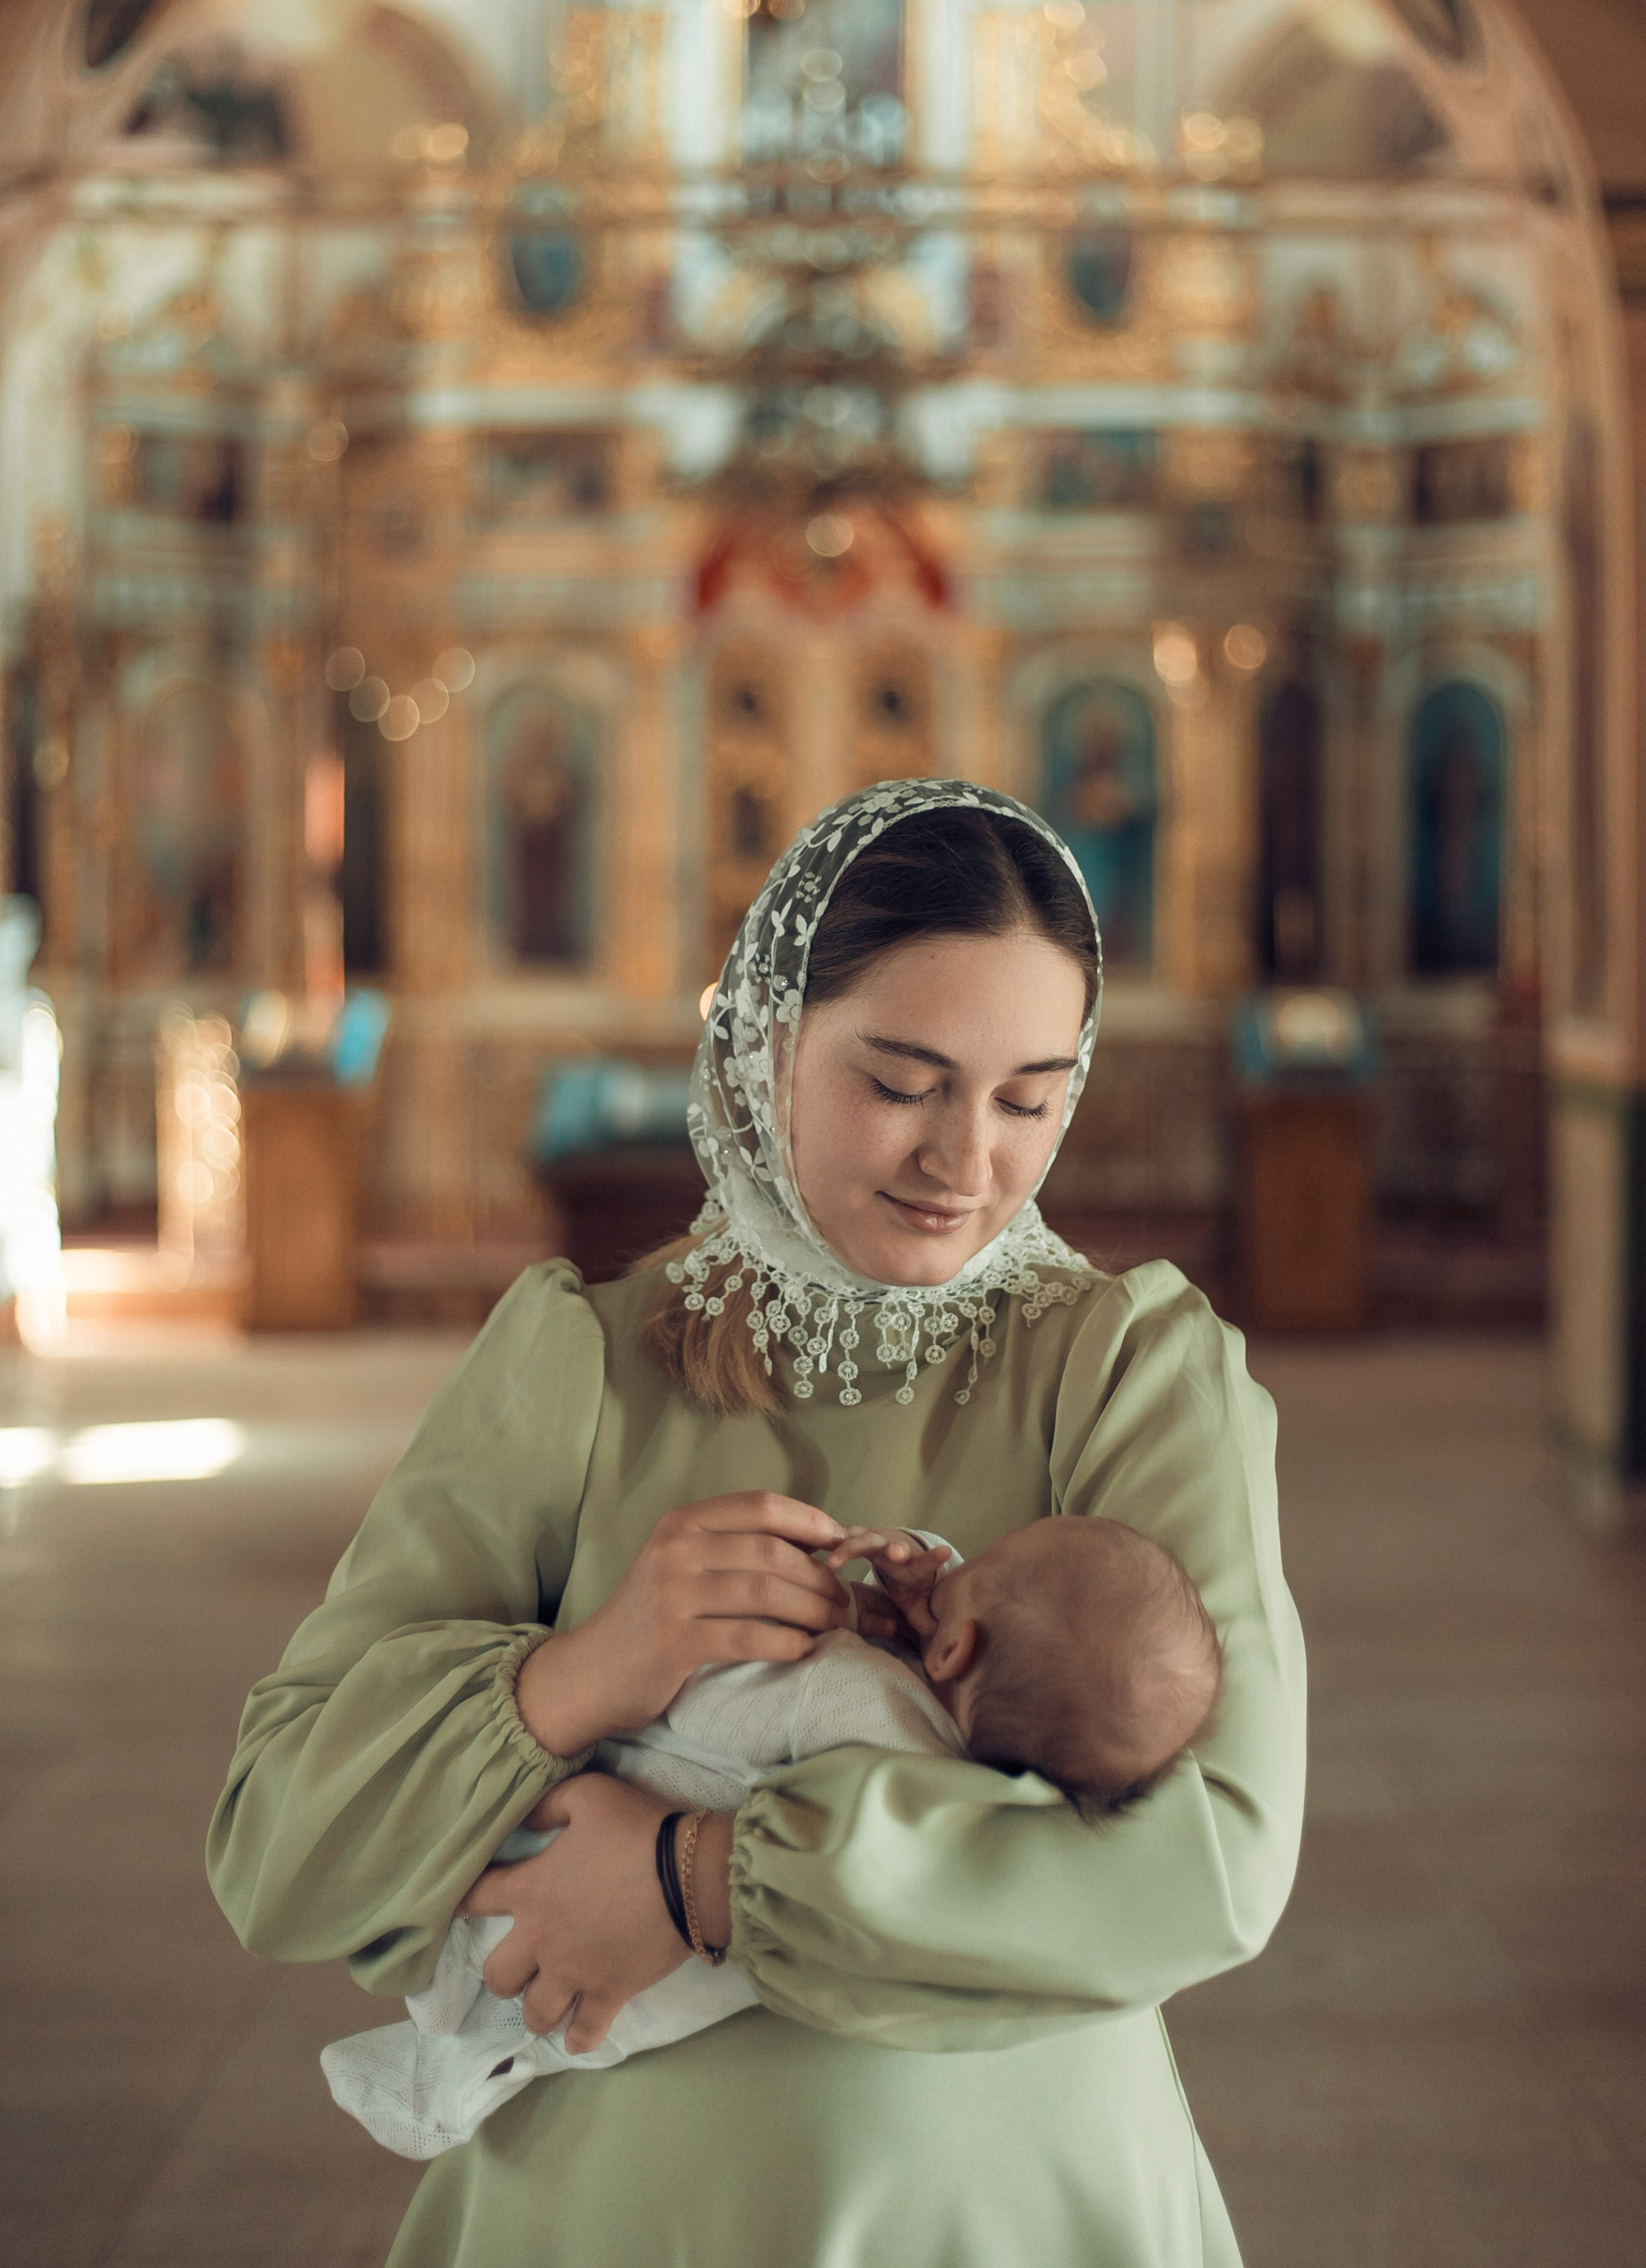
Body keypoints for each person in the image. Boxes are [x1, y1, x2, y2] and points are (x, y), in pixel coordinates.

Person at [208, 777, 1307, 2268]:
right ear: (763, 1044)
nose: (964, 1159)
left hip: (1019, 2216)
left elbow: (1210, 1863)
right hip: (604, 2222)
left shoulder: (1128, 1374)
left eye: (1027, 1096)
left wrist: (696, 1877)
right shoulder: (580, 1359)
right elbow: (280, 1849)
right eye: (901, 1081)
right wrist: (581, 1674)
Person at [320, 1515, 1224, 2161]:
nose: (944, 1561)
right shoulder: (964, 1784)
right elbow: (997, 1645)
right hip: (726, 1956)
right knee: (601, 2017)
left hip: (651, 1874)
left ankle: (447, 2055)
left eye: (969, 1564)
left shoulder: (868, 1700)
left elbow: (727, 1697)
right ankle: (464, 2055)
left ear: (953, 1650)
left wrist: (805, 1628)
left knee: (536, 1968)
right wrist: (948, 1592)